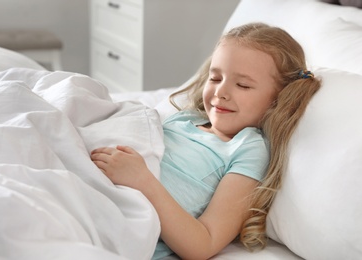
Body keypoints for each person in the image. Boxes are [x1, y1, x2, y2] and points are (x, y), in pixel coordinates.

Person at [90, 22, 321, 259]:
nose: (221, 92)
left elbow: (204, 243)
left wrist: (142, 180)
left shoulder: (248, 149)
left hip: (114, 225)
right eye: (215, 77)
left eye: (242, 85)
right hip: (90, 189)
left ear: (279, 98)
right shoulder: (183, 119)